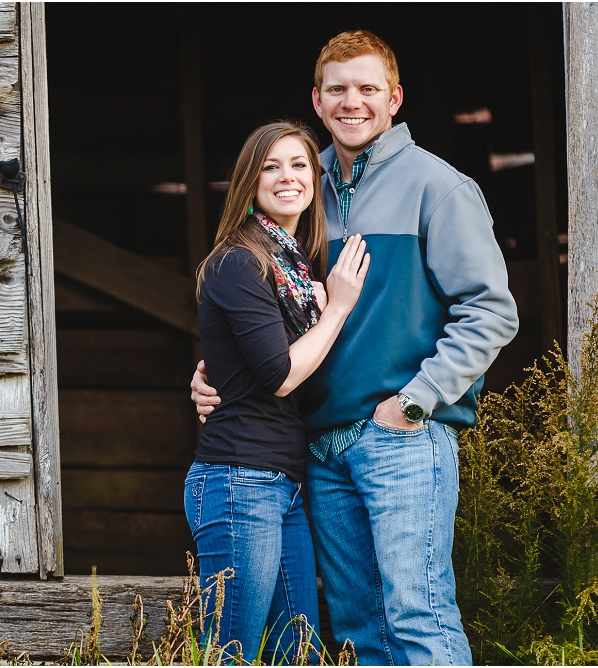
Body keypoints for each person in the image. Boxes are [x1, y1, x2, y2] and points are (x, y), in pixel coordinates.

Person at [191, 31, 519, 666]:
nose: (352, 102)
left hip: (399, 435)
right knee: (358, 626)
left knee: (417, 611)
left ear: (394, 97)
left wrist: (415, 403)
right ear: (316, 100)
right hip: (317, 442)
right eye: (337, 89)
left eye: (368, 89)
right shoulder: (298, 184)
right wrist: (217, 374)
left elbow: (490, 311)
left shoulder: (438, 187)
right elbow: (259, 303)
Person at [187, 121, 369, 663]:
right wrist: (336, 307)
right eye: (270, 166)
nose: (287, 176)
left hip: (279, 483)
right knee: (231, 652)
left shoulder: (290, 266)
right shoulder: (240, 261)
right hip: (239, 479)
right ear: (249, 182)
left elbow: (245, 361)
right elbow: (281, 375)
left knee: (301, 653)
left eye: (298, 164)